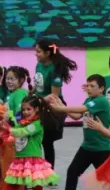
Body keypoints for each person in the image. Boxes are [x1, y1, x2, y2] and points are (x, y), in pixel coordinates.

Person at [46, 74, 110, 190]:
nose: (88, 88)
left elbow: (82, 110)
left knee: (106, 181)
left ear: (101, 89)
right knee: (72, 171)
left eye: (92, 86)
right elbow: (77, 116)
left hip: (102, 149)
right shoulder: (90, 100)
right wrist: (62, 105)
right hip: (87, 147)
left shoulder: (101, 101)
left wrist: (61, 108)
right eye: (87, 85)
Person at [0, 94, 60, 190]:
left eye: (28, 109)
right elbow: (12, 138)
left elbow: (22, 132)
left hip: (32, 164)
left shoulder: (37, 124)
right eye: (23, 109)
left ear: (36, 109)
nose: (25, 112)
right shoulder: (22, 123)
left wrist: (8, 128)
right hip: (19, 163)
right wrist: (0, 137)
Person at [33, 40, 77, 168]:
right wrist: (31, 94)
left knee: (46, 142)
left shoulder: (55, 70)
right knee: (34, 139)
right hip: (39, 104)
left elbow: (54, 96)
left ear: (47, 53)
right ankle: (34, 170)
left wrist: (38, 102)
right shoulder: (39, 65)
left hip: (51, 107)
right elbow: (38, 83)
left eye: (38, 51)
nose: (35, 54)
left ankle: (49, 172)